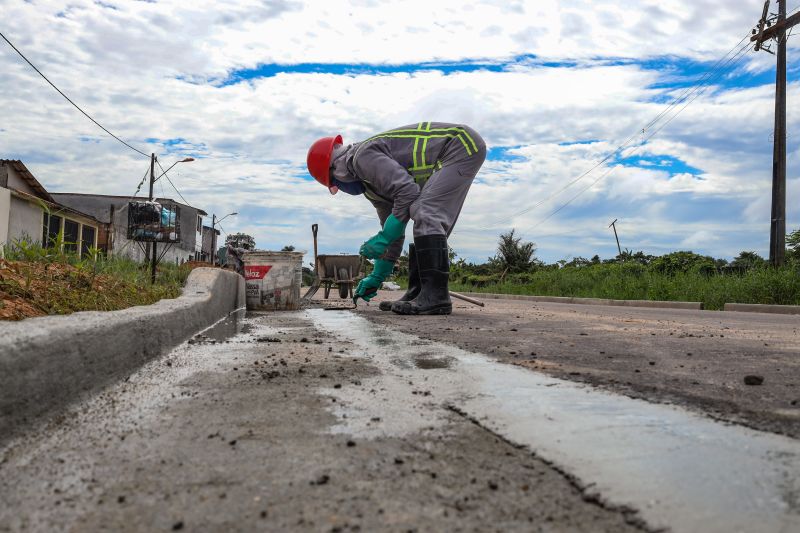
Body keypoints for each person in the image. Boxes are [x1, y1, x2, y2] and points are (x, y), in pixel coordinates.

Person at [307, 122, 486, 315]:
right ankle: (419, 292)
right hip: (454, 152)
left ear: (337, 169)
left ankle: (436, 297)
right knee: (425, 217)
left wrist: (383, 236)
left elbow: (408, 193)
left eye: (335, 182)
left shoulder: (361, 157)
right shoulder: (372, 189)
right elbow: (394, 228)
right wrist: (377, 275)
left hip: (460, 146)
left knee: (425, 211)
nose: (341, 187)